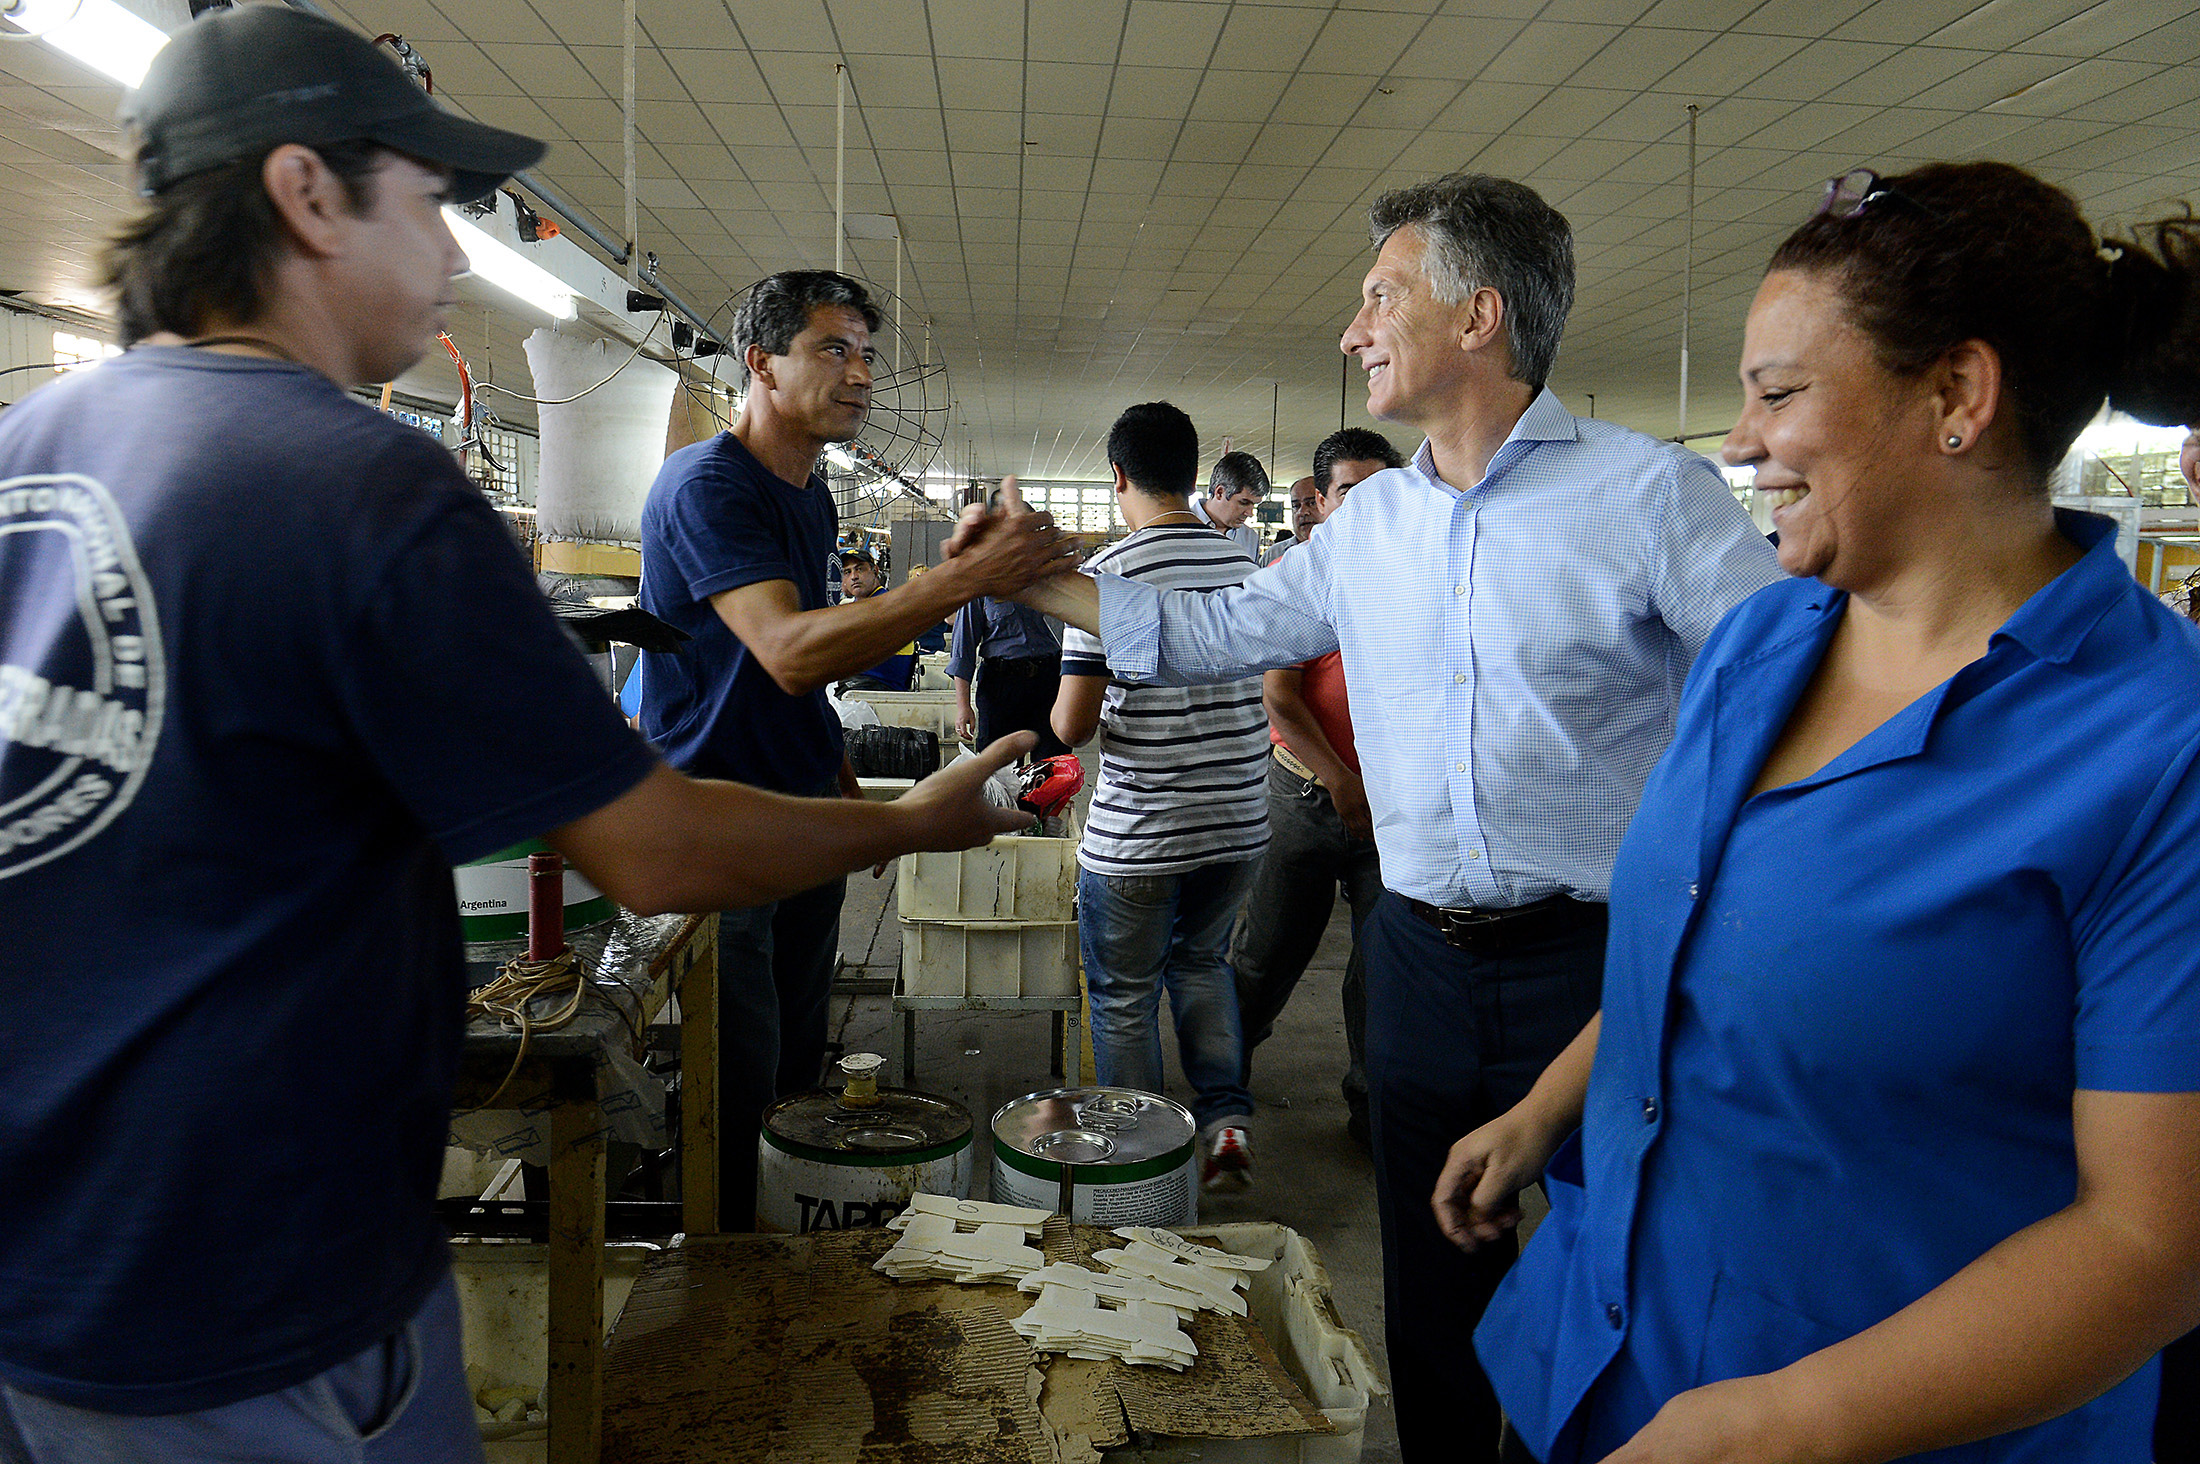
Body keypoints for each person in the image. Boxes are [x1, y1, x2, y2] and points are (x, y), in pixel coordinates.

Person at [0, 10, 1038, 1461]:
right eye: (427, 200)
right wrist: (921, 819)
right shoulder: (356, 483)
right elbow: (658, 847)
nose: (448, 250)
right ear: (306, 195)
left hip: (47, 1279)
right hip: (261, 1297)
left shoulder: (31, 453)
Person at [972, 171, 1783, 1463]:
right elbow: (1208, 634)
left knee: (1617, 1269)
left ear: (1480, 315)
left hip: (1599, 966)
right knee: (1430, 1281)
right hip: (1414, 957)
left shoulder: (1647, 500)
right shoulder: (1375, 527)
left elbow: (1785, 688)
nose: (1353, 331)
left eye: (1378, 296)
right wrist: (1036, 576)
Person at [1443, 161, 2200, 1464]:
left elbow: (2150, 1244)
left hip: (1861, 1420)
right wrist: (1551, 1107)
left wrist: (1776, 1427)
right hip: (1595, 1355)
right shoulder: (1767, 639)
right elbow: (1699, 938)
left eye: (1779, 392)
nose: (1738, 442)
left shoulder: (2156, 751)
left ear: (1957, 394)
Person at [633, 269, 1075, 1233]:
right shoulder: (708, 485)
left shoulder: (811, 497)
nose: (861, 373)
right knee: (739, 1059)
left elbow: (812, 672)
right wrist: (961, 581)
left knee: (799, 1045)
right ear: (761, 362)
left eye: (867, 354)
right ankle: (721, 1252)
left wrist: (851, 802)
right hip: (723, 820)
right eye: (833, 349)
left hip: (801, 808)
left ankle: (785, 1227)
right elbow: (788, 652)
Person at [1051, 402, 1270, 1191]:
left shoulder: (1109, 579)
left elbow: (1071, 726)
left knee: (1122, 995)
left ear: (1118, 477)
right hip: (1240, 819)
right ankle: (1224, 1125)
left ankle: (1147, 1161)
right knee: (1204, 964)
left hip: (1145, 831)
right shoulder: (1245, 570)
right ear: (1193, 475)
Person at [1229, 428, 1404, 1149]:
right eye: (1348, 492)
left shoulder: (1419, 577)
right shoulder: (1302, 578)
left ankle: (1371, 1109)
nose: (1365, 506)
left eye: (1380, 490)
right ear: (1321, 504)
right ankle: (1222, 1078)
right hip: (1305, 798)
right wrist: (1340, 781)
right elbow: (1282, 701)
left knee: (1383, 969)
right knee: (1266, 955)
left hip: (1393, 811)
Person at [949, 560, 1071, 758]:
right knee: (998, 768)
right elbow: (963, 650)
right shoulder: (979, 584)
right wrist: (963, 707)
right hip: (1001, 686)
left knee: (1053, 764)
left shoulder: (1049, 578)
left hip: (1049, 681)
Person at [835, 543, 915, 692]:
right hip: (857, 687)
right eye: (847, 572)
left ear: (875, 571)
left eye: (860, 569)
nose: (854, 577)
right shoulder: (857, 607)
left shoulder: (887, 604)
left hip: (878, 689)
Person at [1191, 450, 1266, 556]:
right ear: (1220, 493)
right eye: (1244, 502)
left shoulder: (1250, 538)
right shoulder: (1176, 525)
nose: (1250, 513)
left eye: (1254, 505)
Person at [1260, 475, 1321, 565]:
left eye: (1312, 503)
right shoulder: (1273, 555)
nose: (1302, 512)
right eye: (1296, 506)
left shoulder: (1343, 551)